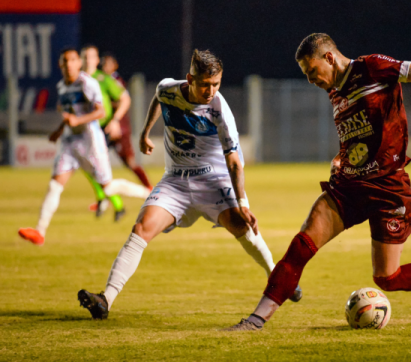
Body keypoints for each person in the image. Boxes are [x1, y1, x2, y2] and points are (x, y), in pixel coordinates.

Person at [225, 33, 411, 331]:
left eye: (312, 72)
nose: (311, 80)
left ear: (329, 58)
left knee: (387, 278)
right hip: (348, 188)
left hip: (388, 189)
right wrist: (341, 157)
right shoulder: (335, 92)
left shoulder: (372, 68)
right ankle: (256, 320)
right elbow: (355, 136)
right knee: (301, 246)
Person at [77, 49, 301, 320]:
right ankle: (106, 299)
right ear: (189, 79)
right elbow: (159, 98)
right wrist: (145, 132)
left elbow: (234, 162)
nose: (211, 91)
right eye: (205, 84)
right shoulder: (168, 89)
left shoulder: (219, 109)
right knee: (141, 228)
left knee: (243, 227)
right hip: (176, 181)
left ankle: (279, 279)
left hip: (213, 180)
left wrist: (243, 203)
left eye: (216, 84)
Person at [18, 48, 151, 246]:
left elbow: (101, 111)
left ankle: (149, 194)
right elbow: (69, 113)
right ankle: (40, 232)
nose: (69, 64)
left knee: (108, 188)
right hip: (70, 143)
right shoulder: (62, 86)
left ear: (78, 64)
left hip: (91, 142)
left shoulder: (87, 83)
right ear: (60, 65)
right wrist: (59, 129)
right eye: (65, 61)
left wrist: (77, 120)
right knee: (55, 185)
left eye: (73, 60)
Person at [81, 45, 142, 221]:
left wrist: (115, 120)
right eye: (84, 56)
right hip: (85, 130)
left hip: (103, 129)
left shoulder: (103, 79)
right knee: (88, 167)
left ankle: (137, 196)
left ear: (95, 60)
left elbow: (125, 98)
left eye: (90, 57)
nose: (87, 60)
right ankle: (107, 201)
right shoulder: (78, 79)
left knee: (105, 169)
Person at [100, 52, 153, 191]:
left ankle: (149, 188)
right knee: (97, 164)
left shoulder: (114, 81)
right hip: (105, 127)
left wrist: (110, 113)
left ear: (115, 66)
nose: (105, 67)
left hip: (119, 128)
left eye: (108, 64)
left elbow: (122, 101)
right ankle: (104, 199)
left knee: (130, 162)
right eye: (103, 64)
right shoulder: (102, 80)